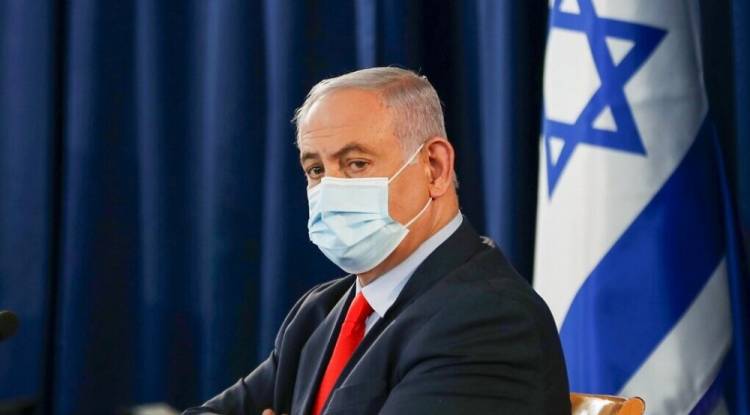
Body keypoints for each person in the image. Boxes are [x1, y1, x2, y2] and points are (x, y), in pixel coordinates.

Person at [183, 67, 570, 415]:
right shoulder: (318, 312)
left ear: (434, 167)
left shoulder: (489, 319)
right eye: (315, 169)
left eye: (356, 163)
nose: (330, 188)